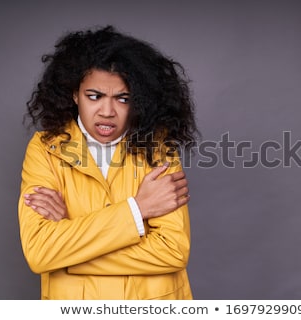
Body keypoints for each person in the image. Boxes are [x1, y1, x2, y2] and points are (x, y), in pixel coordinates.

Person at [18, 25, 198, 300]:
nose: (107, 111)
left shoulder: (158, 147)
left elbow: (172, 250)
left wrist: (69, 250)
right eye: (94, 96)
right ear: (74, 94)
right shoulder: (45, 149)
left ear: (139, 101)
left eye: (122, 99)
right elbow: (40, 251)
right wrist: (137, 209)